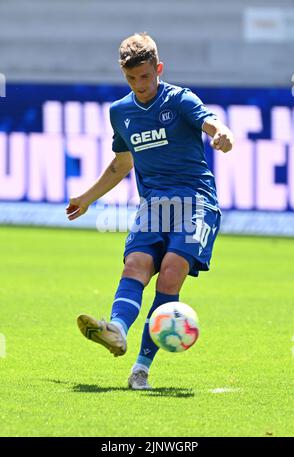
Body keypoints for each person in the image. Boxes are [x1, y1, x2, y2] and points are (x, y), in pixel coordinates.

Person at [66, 33, 234, 390]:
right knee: (135, 266)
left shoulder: (180, 99)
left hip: (195, 202)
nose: (139, 86)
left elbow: (211, 121)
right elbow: (121, 164)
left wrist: (222, 134)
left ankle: (140, 369)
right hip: (153, 205)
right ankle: (116, 330)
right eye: (131, 79)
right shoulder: (121, 112)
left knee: (171, 273)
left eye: (145, 77)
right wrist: (87, 197)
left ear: (158, 69)